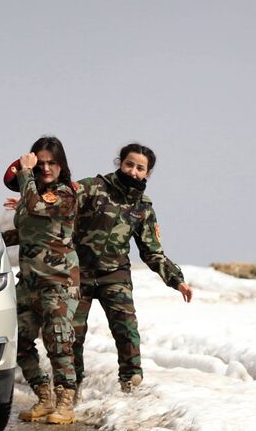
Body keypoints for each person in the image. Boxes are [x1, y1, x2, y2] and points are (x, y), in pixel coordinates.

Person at [73, 143, 193, 393]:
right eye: (129, 164)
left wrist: (176, 280)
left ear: (147, 173)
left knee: (127, 330)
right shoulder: (92, 187)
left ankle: (131, 384)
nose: (133, 172)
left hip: (115, 276)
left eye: (140, 168)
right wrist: (30, 201)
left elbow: (152, 251)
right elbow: (59, 202)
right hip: (78, 275)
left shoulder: (143, 208)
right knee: (72, 335)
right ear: (120, 163)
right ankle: (70, 386)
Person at [11, 136, 80, 424]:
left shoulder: (65, 194)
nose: (46, 168)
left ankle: (65, 403)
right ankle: (43, 396)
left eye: (52, 162)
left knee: (59, 343)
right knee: (19, 341)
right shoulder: (33, 192)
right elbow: (27, 231)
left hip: (57, 282)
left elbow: (36, 208)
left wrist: (25, 173)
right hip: (29, 282)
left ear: (62, 165)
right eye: (41, 163)